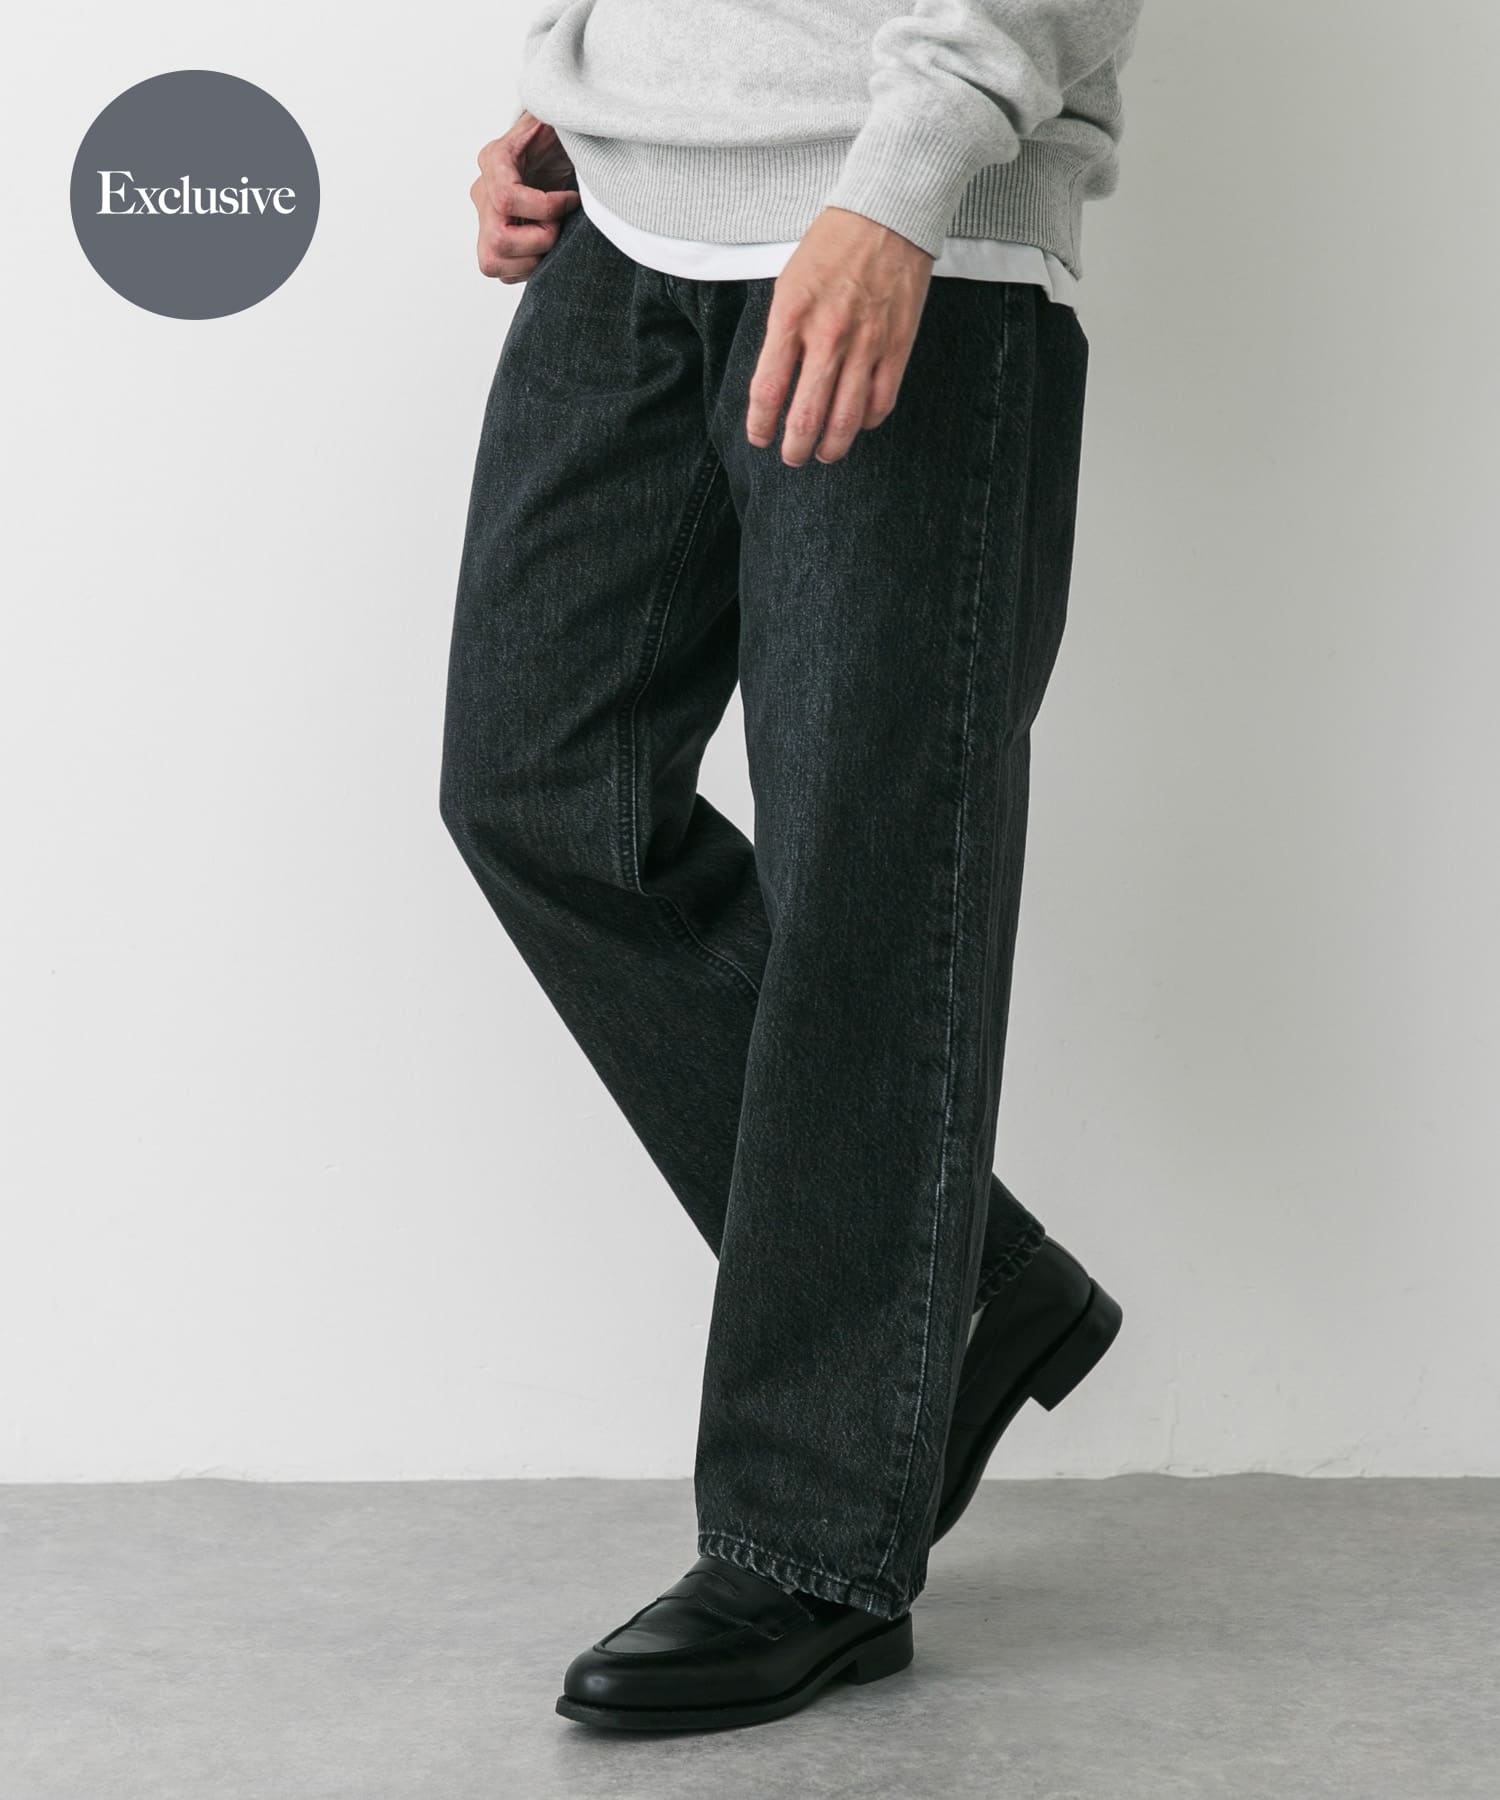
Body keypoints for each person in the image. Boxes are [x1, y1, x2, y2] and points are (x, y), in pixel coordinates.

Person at [441, 0, 1144, 1733]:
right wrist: (574, 83)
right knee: (540, 789)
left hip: (896, 213)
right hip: (624, 210)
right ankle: (965, 1292)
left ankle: (814, 1543)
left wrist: (902, 183)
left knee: (869, 887)